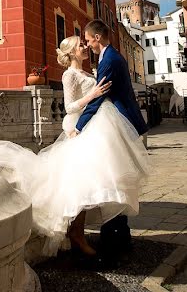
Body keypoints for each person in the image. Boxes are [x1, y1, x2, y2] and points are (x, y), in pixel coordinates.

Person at [0, 32, 151, 258]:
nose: (85, 47)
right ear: (72, 52)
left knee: (92, 180)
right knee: (78, 182)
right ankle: (78, 235)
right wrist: (93, 95)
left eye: (85, 43)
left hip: (95, 125)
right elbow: (70, 106)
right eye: (81, 45)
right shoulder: (69, 75)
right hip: (79, 127)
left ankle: (99, 232)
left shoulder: (87, 71)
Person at [76, 19, 150, 249]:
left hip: (120, 121)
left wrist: (79, 126)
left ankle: (114, 238)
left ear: (97, 38)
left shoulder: (108, 59)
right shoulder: (111, 56)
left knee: (113, 176)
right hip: (120, 120)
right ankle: (120, 234)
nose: (87, 45)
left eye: (88, 40)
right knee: (116, 175)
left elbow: (99, 97)